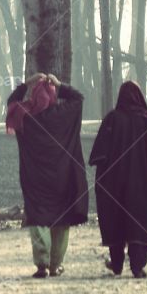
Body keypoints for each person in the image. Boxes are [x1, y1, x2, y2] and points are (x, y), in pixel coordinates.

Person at [6, 72, 88, 278]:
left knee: (39, 216)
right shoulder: (64, 115)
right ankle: (55, 264)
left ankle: (42, 263)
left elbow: (11, 102)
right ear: (53, 96)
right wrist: (60, 85)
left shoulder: (25, 116)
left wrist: (27, 83)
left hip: (35, 179)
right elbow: (78, 98)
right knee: (61, 218)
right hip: (63, 178)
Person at [89, 81, 147, 278]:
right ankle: (138, 265)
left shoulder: (111, 119)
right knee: (139, 219)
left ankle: (117, 263)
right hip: (141, 182)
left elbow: (99, 154)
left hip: (113, 182)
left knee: (114, 218)